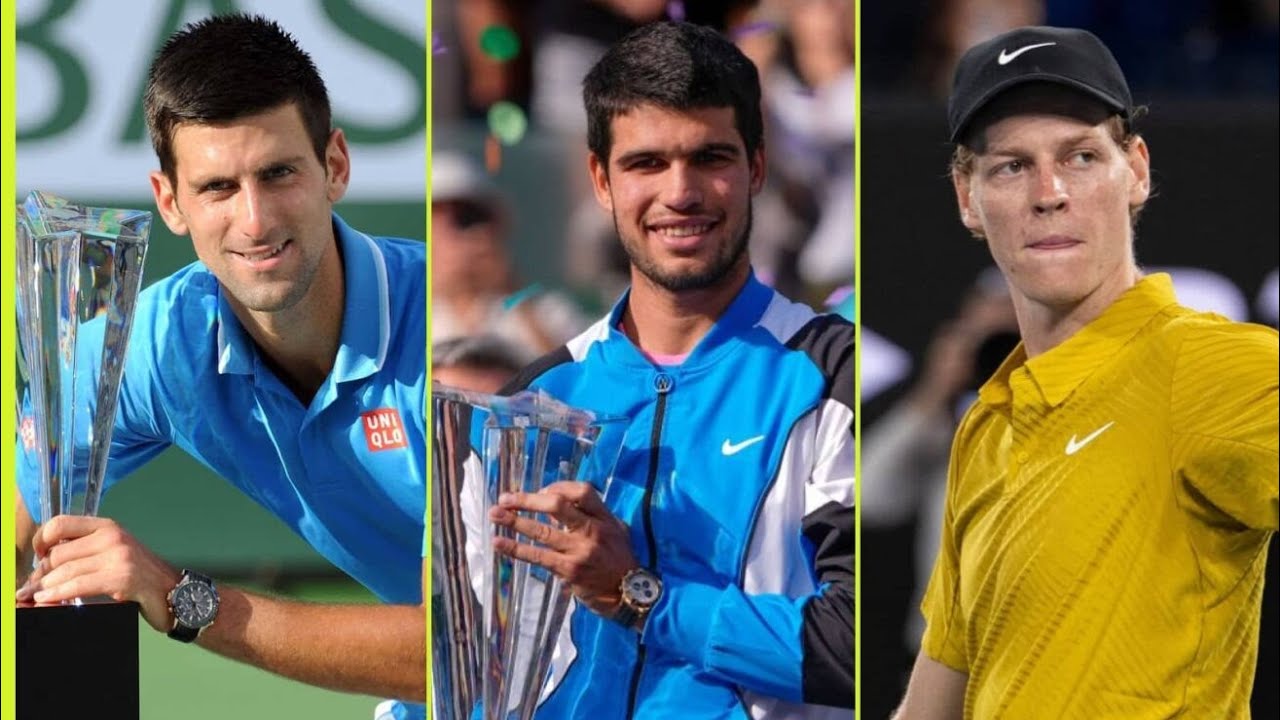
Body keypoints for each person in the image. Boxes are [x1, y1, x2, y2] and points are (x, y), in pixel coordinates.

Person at [14, 14, 428, 718]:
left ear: (335, 167)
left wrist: (180, 598)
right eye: (217, 189)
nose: (256, 220)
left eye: (278, 174)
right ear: (170, 201)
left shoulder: (446, 350)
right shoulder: (156, 339)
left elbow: (465, 653)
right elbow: (20, 521)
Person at [895, 26, 1279, 718]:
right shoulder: (986, 426)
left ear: (1134, 169)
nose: (1050, 192)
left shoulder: (1208, 367)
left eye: (1080, 156)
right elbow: (933, 703)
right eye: (1011, 166)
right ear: (965, 195)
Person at [482, 21, 854, 718]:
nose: (680, 193)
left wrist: (639, 593)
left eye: (710, 158)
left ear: (758, 168)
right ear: (601, 179)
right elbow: (480, 646)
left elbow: (856, 651)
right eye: (646, 163)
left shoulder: (835, 374)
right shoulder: (535, 396)